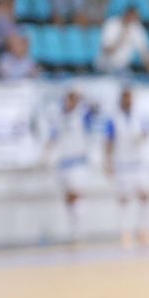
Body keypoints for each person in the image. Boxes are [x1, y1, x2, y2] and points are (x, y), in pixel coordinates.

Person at [105, 85, 149, 248]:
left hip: (139, 162)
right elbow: (108, 143)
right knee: (124, 199)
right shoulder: (114, 118)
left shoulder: (140, 116)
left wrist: (142, 136)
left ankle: (143, 231)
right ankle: (125, 233)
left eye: (130, 97)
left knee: (145, 195)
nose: (128, 100)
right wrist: (108, 163)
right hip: (123, 163)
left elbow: (147, 132)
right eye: (125, 97)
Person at [46, 88, 97, 242]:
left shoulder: (82, 116)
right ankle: (73, 229)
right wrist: (46, 154)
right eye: (68, 100)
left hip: (78, 162)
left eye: (73, 100)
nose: (70, 103)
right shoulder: (60, 118)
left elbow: (96, 108)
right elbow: (53, 137)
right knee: (68, 197)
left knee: (76, 195)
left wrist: (84, 96)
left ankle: (79, 230)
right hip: (64, 162)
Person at [97, 6, 149, 78]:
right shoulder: (112, 23)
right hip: (104, 68)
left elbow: (145, 54)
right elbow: (107, 50)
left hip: (122, 69)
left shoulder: (136, 28)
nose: (132, 20)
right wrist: (122, 37)